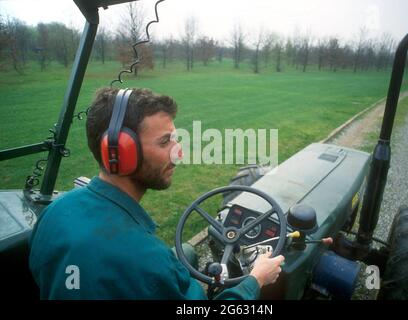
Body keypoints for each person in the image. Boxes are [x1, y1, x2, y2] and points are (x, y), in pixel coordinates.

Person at [29, 87, 284, 299]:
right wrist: (255, 280)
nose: (179, 153)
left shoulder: (54, 212)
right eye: (165, 142)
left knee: (189, 251)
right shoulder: (147, 260)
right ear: (121, 152)